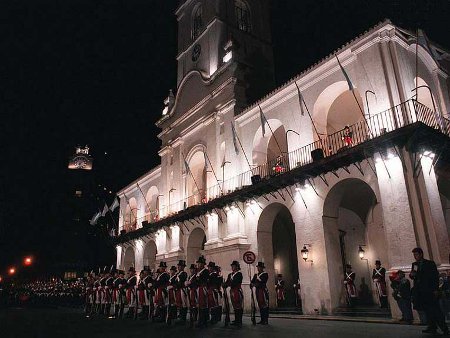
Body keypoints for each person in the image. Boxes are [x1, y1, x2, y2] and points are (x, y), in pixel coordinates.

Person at [410, 247, 449, 335]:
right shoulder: (415, 264)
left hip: (430, 291)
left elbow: (435, 277)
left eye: (416, 254)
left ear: (421, 254)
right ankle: (432, 327)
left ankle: (444, 329)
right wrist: (412, 275)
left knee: (436, 310)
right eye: (414, 255)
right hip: (421, 292)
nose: (415, 257)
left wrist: (435, 289)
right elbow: (413, 276)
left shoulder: (429, 263)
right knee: (427, 311)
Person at [224, 260, 243, 327]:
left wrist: (228, 284)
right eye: (232, 266)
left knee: (238, 306)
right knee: (235, 306)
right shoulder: (230, 275)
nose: (232, 267)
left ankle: (239, 320)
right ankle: (236, 319)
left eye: (233, 266)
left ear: (237, 267)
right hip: (232, 291)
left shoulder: (239, 274)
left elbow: (235, 282)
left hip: (237, 291)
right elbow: (227, 282)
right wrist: (224, 285)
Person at [195, 256, 209, 328]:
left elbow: (205, 280)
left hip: (203, 288)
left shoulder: (206, 271)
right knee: (199, 305)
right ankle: (200, 320)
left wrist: (198, 279)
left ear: (203, 264)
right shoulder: (197, 271)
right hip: (198, 288)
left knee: (203, 305)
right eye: (198, 263)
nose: (199, 265)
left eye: (200, 263)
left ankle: (204, 320)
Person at [186, 263, 198, 327]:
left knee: (194, 304)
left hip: (194, 290)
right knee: (191, 304)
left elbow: (195, 283)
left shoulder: (196, 276)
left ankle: (195, 316)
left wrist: (190, 283)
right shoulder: (189, 276)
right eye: (191, 269)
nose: (192, 270)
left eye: (193, 269)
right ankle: (191, 316)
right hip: (190, 290)